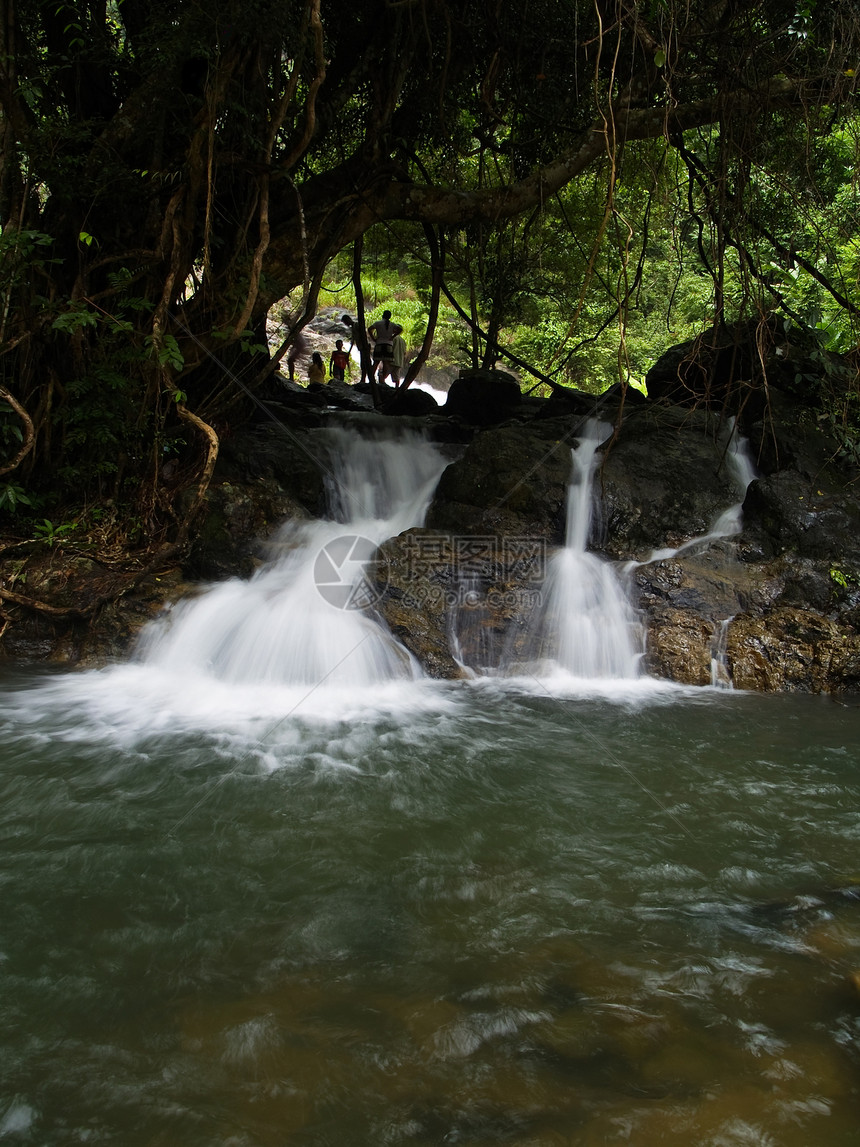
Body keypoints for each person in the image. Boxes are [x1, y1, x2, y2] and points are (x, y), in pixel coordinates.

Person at [367, 310, 403, 385]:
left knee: (376, 362)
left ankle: (371, 379)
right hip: (388, 344)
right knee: (386, 363)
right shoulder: (392, 324)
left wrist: (373, 338)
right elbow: (400, 329)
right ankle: (383, 379)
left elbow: (369, 329)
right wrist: (393, 336)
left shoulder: (378, 323)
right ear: (390, 317)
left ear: (383, 315)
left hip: (379, 343)